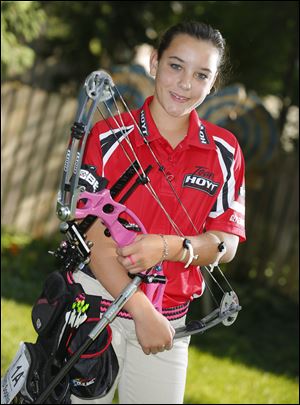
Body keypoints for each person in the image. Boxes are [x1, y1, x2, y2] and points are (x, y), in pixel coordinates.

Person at [71, 20, 246, 404]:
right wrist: (141, 310)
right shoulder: (107, 136)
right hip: (94, 305)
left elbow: (225, 242)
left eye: (201, 75)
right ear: (154, 63)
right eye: (176, 66)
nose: (185, 83)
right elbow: (94, 239)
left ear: (213, 83)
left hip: (171, 320)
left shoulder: (225, 151)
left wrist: (168, 246)